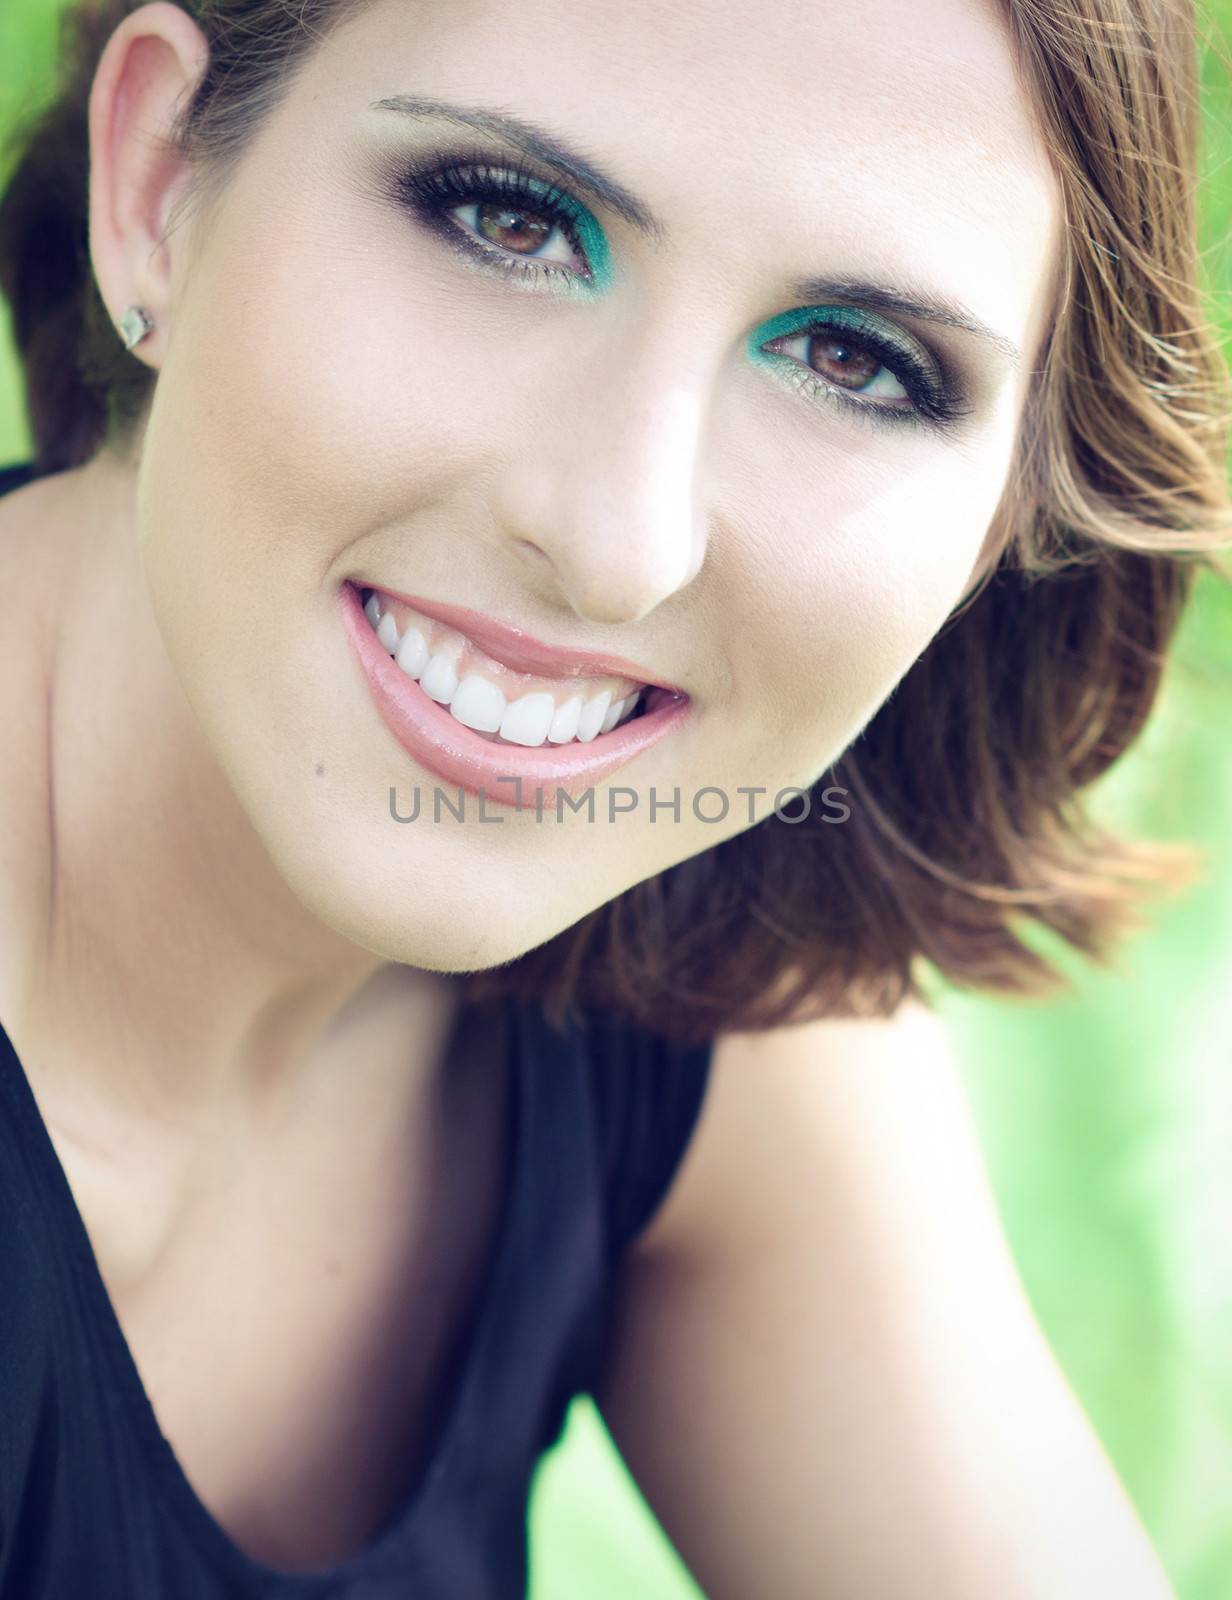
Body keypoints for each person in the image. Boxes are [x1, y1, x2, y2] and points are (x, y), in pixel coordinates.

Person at [0, 0, 1228, 1594]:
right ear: (162, 179)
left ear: (1004, 509)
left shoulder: (704, 960)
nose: (618, 539)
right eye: (508, 220)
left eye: (854, 360)